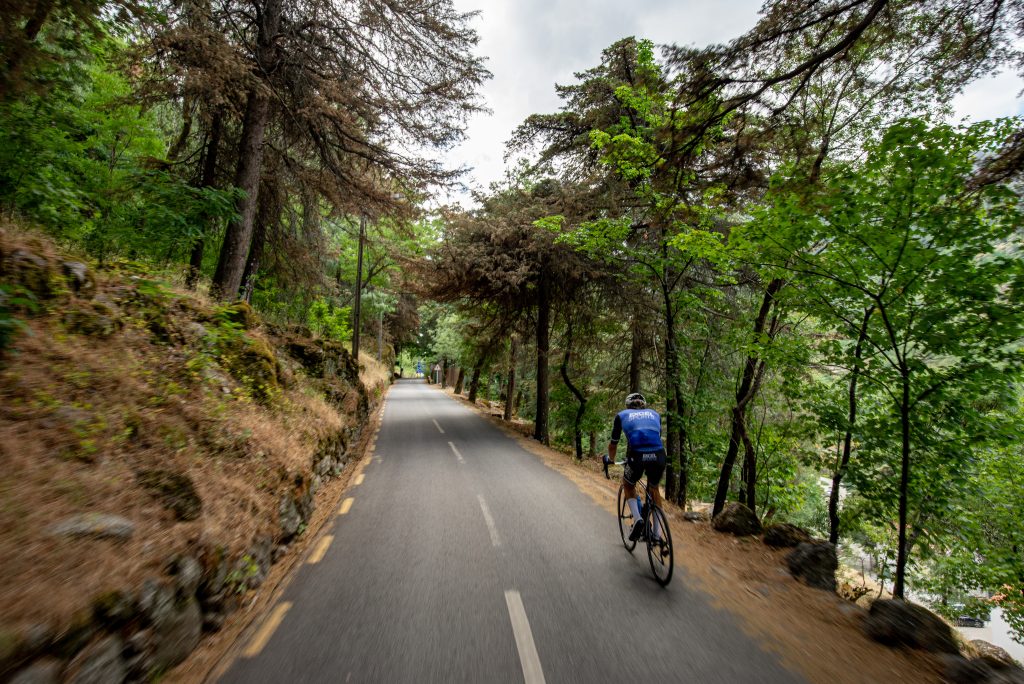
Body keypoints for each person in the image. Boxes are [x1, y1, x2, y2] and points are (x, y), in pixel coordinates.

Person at [608, 392, 666, 543]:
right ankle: (656, 534)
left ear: (628, 406)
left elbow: (613, 444)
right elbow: (655, 437)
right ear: (644, 405)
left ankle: (638, 519)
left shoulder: (621, 415)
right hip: (659, 455)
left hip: (638, 456)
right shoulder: (655, 414)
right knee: (654, 489)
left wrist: (611, 459)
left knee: (628, 484)